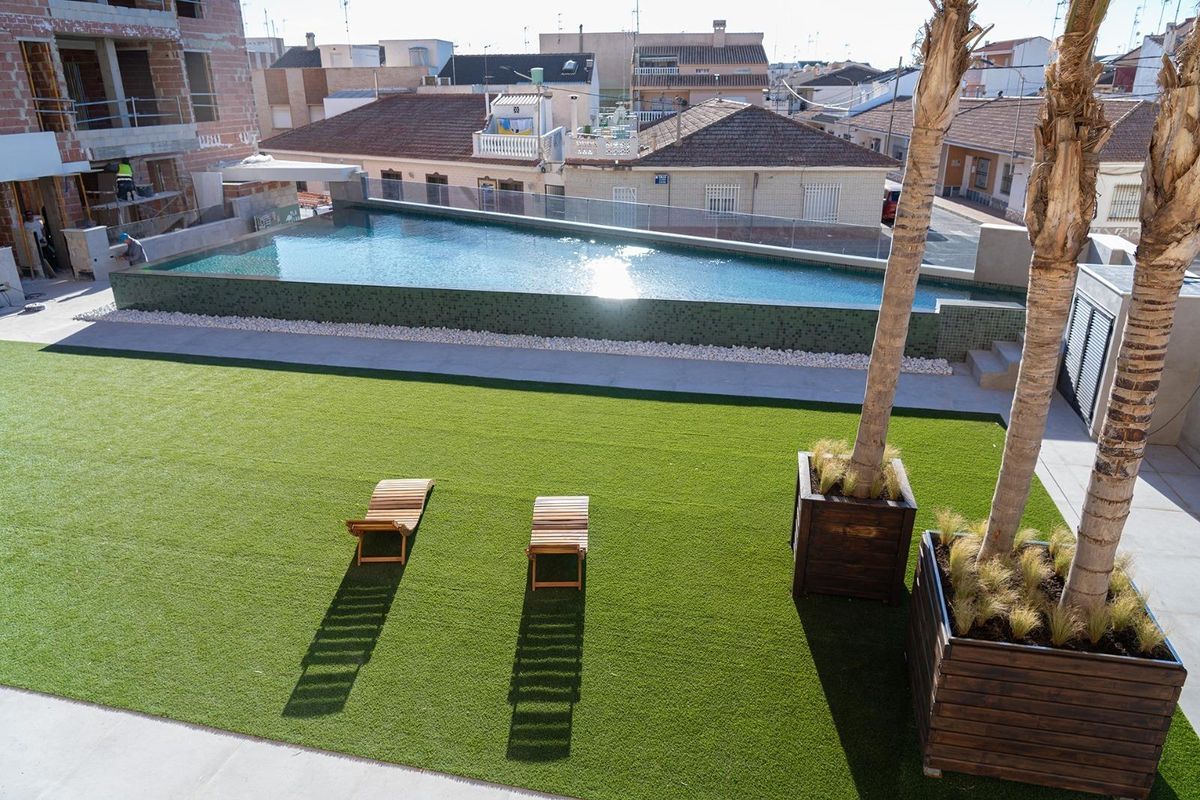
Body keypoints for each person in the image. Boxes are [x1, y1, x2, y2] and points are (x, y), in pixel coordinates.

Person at [23, 210, 58, 279]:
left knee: (49, 254)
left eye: (30, 214)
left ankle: (53, 269)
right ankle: (46, 272)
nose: (29, 216)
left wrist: (44, 237)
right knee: (40, 257)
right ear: (26, 216)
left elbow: (42, 230)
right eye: (28, 215)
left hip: (41, 240)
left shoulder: (37, 222)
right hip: (34, 242)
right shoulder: (25, 225)